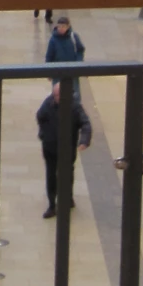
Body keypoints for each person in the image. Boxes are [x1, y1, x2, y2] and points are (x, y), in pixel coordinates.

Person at [35, 82, 91, 217]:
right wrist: (43, 134)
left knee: (66, 175)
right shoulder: (48, 103)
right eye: (54, 95)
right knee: (51, 175)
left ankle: (67, 198)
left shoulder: (75, 107)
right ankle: (52, 204)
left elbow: (86, 124)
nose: (56, 97)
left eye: (58, 95)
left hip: (67, 149)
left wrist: (84, 141)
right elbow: (40, 116)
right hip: (50, 147)